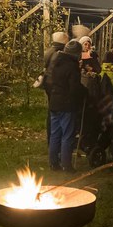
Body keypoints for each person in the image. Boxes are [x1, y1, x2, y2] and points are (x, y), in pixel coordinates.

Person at [48, 41, 86, 172]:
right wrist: (85, 92)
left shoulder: (56, 61)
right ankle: (66, 165)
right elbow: (74, 88)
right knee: (67, 135)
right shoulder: (72, 66)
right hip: (67, 105)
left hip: (54, 102)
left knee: (54, 134)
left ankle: (53, 163)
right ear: (76, 53)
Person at [42, 31, 69, 143]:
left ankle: (51, 138)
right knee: (56, 112)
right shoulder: (60, 53)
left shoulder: (49, 50)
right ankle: (55, 138)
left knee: (51, 111)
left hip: (48, 83)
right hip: (55, 85)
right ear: (63, 41)